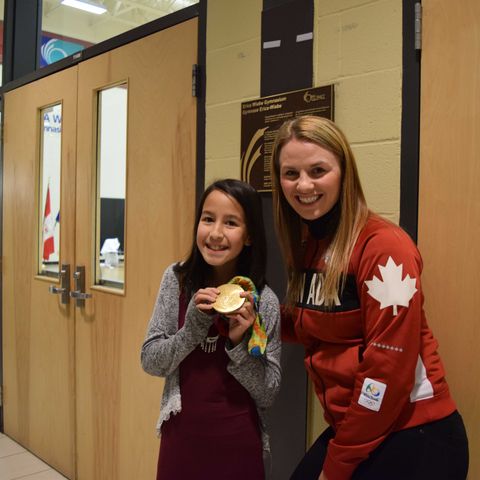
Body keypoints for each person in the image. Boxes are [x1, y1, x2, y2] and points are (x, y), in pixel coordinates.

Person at [270, 115, 469, 480]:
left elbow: (387, 369)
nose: (304, 185)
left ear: (344, 173)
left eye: (318, 170)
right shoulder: (312, 246)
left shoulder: (385, 248)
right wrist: (256, 316)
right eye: (291, 173)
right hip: (359, 426)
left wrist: (339, 464)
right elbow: (317, 326)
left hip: (415, 432)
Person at [141, 178, 281, 480]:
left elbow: (269, 393)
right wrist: (190, 331)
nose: (215, 233)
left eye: (230, 223)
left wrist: (240, 346)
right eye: (207, 219)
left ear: (249, 236)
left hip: (239, 442)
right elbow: (150, 361)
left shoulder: (264, 301)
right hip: (182, 439)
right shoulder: (177, 281)